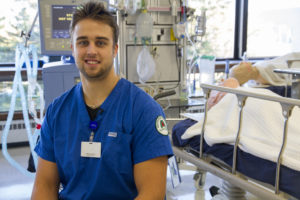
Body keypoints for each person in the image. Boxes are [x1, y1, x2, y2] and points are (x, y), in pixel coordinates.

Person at [31, 1, 173, 199]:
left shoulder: (143, 111)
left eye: (100, 42)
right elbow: (44, 187)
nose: (91, 51)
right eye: (83, 42)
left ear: (114, 49)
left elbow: (152, 194)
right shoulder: (57, 112)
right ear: (72, 48)